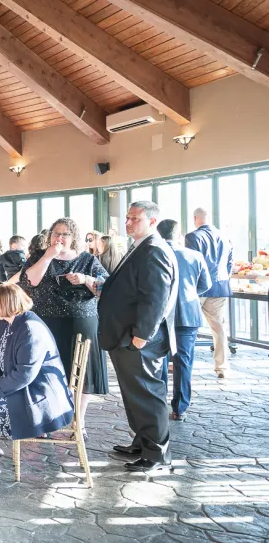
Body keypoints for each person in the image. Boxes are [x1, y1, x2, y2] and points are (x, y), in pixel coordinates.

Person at [98, 201, 177, 473]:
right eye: (128, 217)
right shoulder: (141, 247)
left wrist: (141, 337)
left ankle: (156, 453)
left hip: (140, 340)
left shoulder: (154, 250)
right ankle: (143, 441)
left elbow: (155, 299)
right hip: (126, 336)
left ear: (152, 222)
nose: (128, 222)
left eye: (135, 218)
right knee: (135, 395)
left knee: (147, 394)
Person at [0, 284, 75, 478]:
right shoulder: (8, 322)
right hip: (20, 386)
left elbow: (25, 375)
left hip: (36, 395)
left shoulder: (30, 329)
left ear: (9, 304)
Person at [20, 218, 109, 424]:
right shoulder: (38, 256)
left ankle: (79, 420)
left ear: (73, 237)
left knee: (82, 374)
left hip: (82, 322)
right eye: (55, 233)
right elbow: (29, 281)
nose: (59, 238)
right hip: (46, 323)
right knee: (45, 372)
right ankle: (46, 418)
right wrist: (48, 257)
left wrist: (86, 279)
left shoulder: (87, 259)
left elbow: (106, 288)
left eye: (65, 234)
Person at [158, 219, 211, 421]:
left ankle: (158, 403)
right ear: (178, 235)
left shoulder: (156, 254)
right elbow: (205, 284)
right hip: (188, 314)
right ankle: (179, 408)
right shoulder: (195, 256)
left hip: (161, 315)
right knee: (184, 362)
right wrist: (188, 295)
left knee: (158, 360)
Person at [184, 207, 234, 379]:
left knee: (189, 327)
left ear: (195, 218)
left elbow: (192, 263)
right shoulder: (225, 236)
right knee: (219, 327)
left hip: (199, 288)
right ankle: (222, 367)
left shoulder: (192, 237)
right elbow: (229, 263)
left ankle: (185, 365)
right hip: (220, 287)